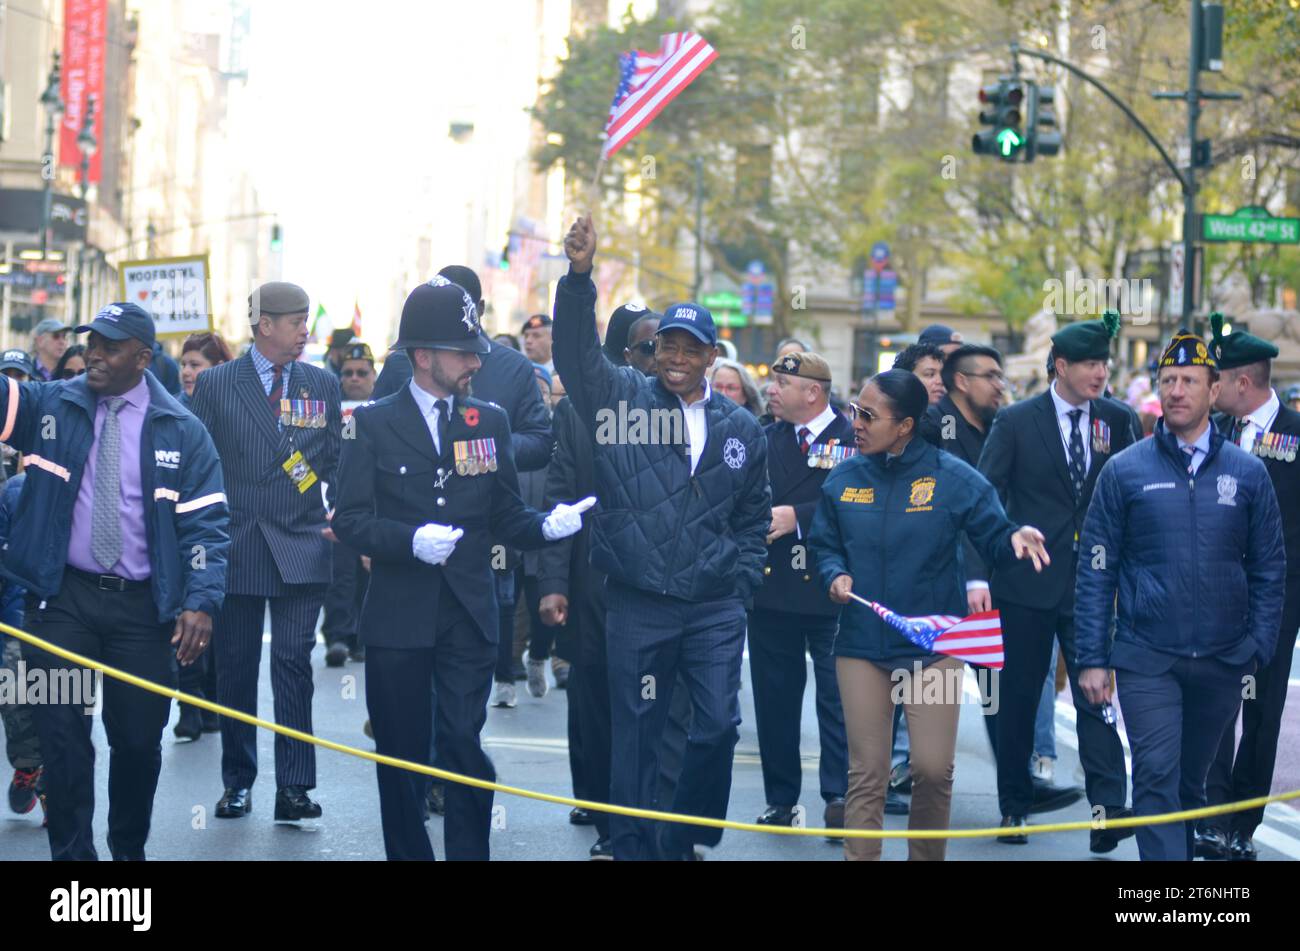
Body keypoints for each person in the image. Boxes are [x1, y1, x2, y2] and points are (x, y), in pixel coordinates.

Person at [332, 276, 590, 861]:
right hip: (399, 615)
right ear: (423, 357)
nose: (475, 360)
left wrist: (546, 525)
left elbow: (504, 512)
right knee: (400, 754)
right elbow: (348, 520)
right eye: (461, 351)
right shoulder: (371, 423)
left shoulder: (488, 421)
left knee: (461, 745)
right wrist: (407, 541)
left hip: (468, 614)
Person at [553, 213, 770, 861]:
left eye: (689, 349)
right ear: (653, 353)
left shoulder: (741, 427)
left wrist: (742, 583)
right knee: (639, 731)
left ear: (712, 356)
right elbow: (575, 355)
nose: (674, 359)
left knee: (717, 725)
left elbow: (754, 516)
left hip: (713, 605)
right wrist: (579, 278)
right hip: (640, 600)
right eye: (665, 347)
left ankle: (683, 834)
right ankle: (632, 845)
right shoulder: (622, 399)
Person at [3, 302, 229, 860]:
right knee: (62, 740)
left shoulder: (182, 429)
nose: (95, 355)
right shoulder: (53, 404)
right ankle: (74, 866)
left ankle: (127, 856)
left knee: (136, 742)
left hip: (142, 613)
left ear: (142, 357)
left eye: (109, 346)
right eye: (92, 344)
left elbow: (208, 525)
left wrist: (200, 600)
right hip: (61, 603)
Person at [810, 369, 1048, 860]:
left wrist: (1015, 539)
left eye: (868, 415)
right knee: (868, 773)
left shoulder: (953, 476)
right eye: (855, 409)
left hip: (935, 648)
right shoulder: (843, 477)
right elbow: (824, 545)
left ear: (905, 426)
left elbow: (994, 535)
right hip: (862, 647)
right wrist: (833, 574)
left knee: (933, 770)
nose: (855, 421)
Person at [1076, 328, 1284, 862]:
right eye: (1167, 379)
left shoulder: (1249, 472)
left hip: (1221, 658)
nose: (1176, 390)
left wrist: (1257, 644)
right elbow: (1096, 569)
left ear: (1215, 391)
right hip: (1148, 658)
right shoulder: (1124, 471)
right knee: (1155, 778)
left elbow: (1268, 566)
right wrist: (1093, 658)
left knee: (1191, 789)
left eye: (1189, 380)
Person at [977, 312, 1134, 849]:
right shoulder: (1018, 421)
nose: (1100, 372)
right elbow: (985, 494)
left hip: (1093, 584)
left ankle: (1108, 808)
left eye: (1104, 362)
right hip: (1025, 583)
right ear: (1061, 366)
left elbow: (1127, 496)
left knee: (1096, 689)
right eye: (1090, 363)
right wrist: (1007, 537)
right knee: (1018, 697)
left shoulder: (1117, 418)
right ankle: (1014, 806)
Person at [190, 281, 342, 822]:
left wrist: (337, 511)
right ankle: (238, 780)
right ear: (264, 326)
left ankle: (295, 786)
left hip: (302, 541)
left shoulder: (321, 384)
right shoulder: (215, 384)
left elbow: (329, 462)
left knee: (293, 663)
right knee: (235, 666)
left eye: (306, 320)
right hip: (239, 541)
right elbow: (199, 464)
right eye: (296, 321)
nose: (306, 331)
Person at [1200, 319, 1300, 861]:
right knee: (1214, 702)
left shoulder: (1296, 433)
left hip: (1276, 598)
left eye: (1218, 380)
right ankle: (1209, 820)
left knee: (1260, 709)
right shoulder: (1211, 431)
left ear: (1243, 382)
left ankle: (1244, 822)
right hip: (1215, 591)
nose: (1209, 391)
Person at [748, 351, 850, 830]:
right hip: (772, 591)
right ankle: (782, 798)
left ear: (813, 391)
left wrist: (798, 518)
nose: (771, 390)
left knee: (838, 697)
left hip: (833, 587)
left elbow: (858, 500)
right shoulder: (763, 438)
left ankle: (839, 795)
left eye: (781, 383)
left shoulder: (852, 437)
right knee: (776, 699)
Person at [173, 331, 235, 739]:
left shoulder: (233, 410)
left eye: (197, 365)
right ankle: (190, 704)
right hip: (183, 527)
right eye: (184, 363)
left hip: (228, 527)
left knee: (218, 617)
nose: (187, 372)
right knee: (187, 612)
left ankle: (213, 700)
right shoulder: (171, 411)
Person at [322, 342, 377, 669]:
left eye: (361, 372)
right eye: (347, 373)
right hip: (337, 504)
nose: (354, 378)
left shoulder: (384, 410)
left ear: (373, 376)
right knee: (339, 573)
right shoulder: (329, 411)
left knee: (368, 573)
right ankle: (338, 636)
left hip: (372, 505)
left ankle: (362, 637)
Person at [178, 332, 235, 403]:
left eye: (194, 364)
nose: (185, 372)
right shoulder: (173, 411)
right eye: (183, 365)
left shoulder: (240, 405)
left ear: (219, 368)